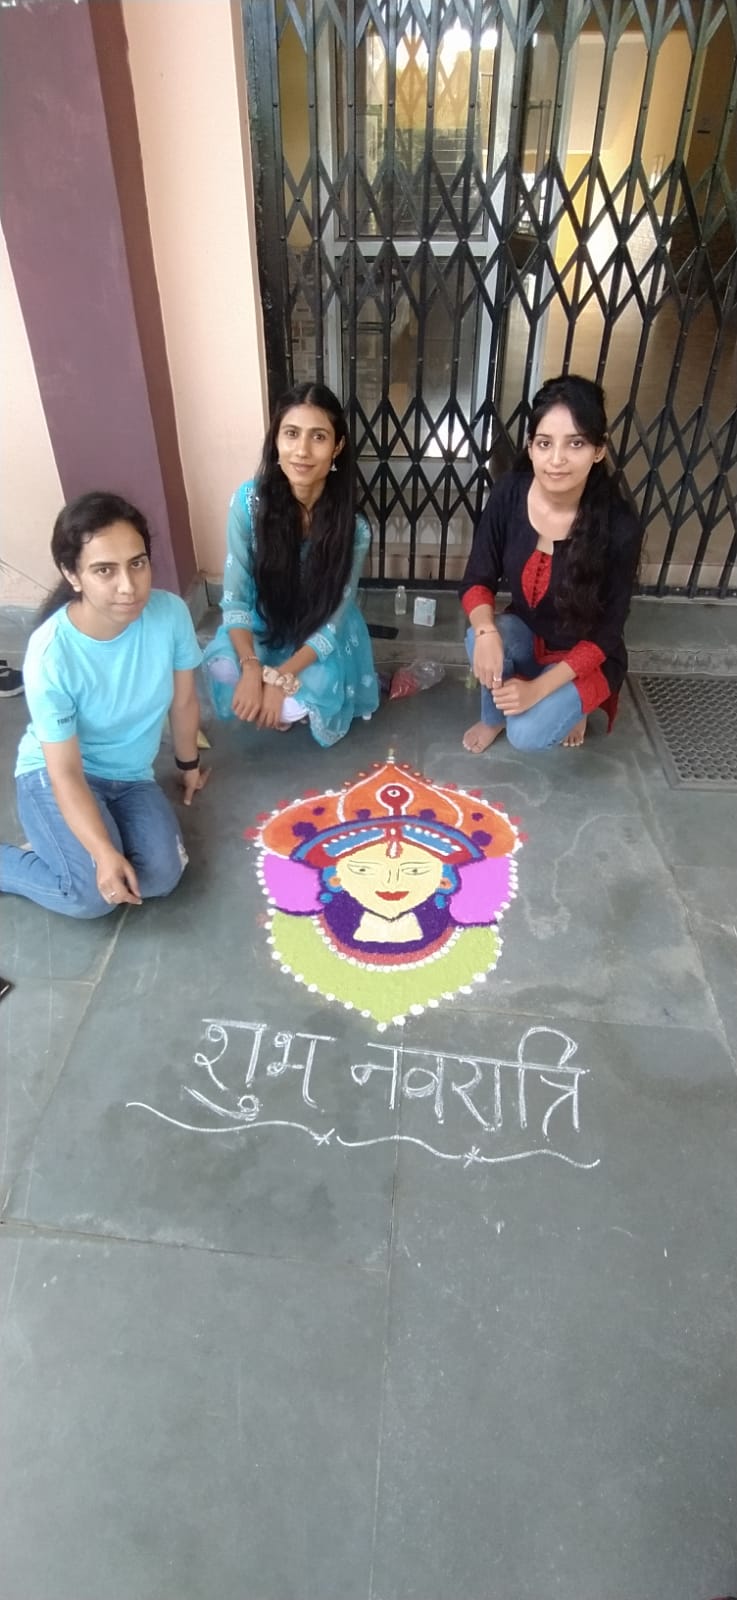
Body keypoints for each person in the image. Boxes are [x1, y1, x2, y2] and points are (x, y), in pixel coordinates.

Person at [0, 492, 208, 919]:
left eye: (137, 563)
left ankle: (64, 844)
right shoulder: (51, 654)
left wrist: (188, 765)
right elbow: (64, 771)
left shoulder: (169, 614)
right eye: (104, 570)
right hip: (56, 774)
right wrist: (100, 851)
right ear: (72, 574)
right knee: (92, 897)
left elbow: (184, 700)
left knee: (162, 876)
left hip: (131, 777)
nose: (128, 586)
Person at [460, 374, 642, 754]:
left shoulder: (619, 525)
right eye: (545, 443)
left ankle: (574, 704)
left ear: (598, 449)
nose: (556, 460)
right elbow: (478, 576)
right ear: (531, 447)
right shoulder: (510, 493)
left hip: (587, 656)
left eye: (575, 443)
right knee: (480, 635)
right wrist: (486, 632)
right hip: (530, 635)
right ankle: (494, 717)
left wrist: (538, 690)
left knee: (526, 735)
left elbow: (607, 634)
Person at [204, 381, 379, 747]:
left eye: (319, 437)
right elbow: (235, 600)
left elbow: (334, 621)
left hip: (318, 631)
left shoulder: (354, 529)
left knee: (294, 701)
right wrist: (251, 667)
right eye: (291, 433)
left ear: (337, 447)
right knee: (221, 668)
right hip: (263, 620)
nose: (302, 450)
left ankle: (288, 703)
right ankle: (270, 691)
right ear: (276, 440)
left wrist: (280, 679)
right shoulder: (248, 503)